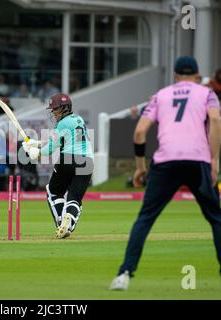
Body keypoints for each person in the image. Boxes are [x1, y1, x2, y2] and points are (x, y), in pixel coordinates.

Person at [110, 56, 221, 290]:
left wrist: (140, 167)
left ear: (176, 75)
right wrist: (214, 159)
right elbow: (215, 119)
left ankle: (124, 274)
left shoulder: (161, 95)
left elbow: (139, 132)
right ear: (197, 75)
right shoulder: (207, 93)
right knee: (216, 218)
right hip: (196, 160)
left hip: (166, 161)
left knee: (145, 219)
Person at [22, 93, 94, 239]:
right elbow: (57, 141)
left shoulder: (62, 124)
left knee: (53, 191)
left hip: (67, 160)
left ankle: (61, 221)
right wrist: (34, 144)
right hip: (87, 161)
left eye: (55, 109)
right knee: (74, 198)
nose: (53, 112)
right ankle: (69, 222)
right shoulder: (78, 119)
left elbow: (49, 150)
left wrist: (35, 153)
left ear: (64, 108)